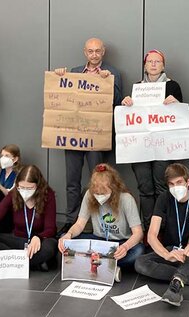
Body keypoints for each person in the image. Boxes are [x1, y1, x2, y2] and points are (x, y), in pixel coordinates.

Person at [53, 37, 122, 230]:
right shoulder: (74, 72)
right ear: (85, 52)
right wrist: (59, 75)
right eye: (90, 51)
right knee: (72, 181)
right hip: (74, 135)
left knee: (101, 180)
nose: (94, 55)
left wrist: (108, 81)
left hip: (97, 135)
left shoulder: (113, 72)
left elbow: (117, 102)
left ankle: (101, 221)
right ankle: (71, 220)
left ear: (103, 51)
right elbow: (61, 95)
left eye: (97, 51)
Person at [134, 163, 189, 307]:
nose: (175, 187)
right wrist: (165, 254)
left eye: (179, 182)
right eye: (171, 184)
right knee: (140, 263)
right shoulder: (164, 199)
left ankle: (177, 283)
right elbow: (151, 235)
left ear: (188, 182)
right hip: (175, 251)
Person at [121, 49, 183, 233]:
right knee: (145, 188)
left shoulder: (173, 86)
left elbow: (180, 118)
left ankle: (163, 230)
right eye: (150, 62)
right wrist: (126, 104)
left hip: (163, 146)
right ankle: (149, 231)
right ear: (145, 65)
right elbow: (132, 114)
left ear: (163, 65)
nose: (154, 64)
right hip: (140, 146)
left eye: (158, 61)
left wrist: (177, 103)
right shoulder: (137, 87)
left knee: (162, 187)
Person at [58, 163, 144, 282]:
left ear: (113, 187)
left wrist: (125, 247)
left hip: (120, 243)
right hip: (99, 242)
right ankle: (109, 266)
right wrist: (69, 234)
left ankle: (91, 263)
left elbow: (138, 233)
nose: (99, 196)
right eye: (96, 193)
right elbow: (79, 224)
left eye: (103, 193)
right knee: (65, 239)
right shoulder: (89, 195)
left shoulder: (126, 199)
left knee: (138, 252)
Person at [0, 165, 57, 272]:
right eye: (21, 187)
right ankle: (30, 264)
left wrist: (38, 237)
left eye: (30, 188)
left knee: (50, 248)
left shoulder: (48, 195)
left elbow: (51, 228)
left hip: (38, 243)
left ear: (38, 186)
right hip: (18, 241)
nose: (25, 191)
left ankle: (1, 261)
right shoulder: (14, 194)